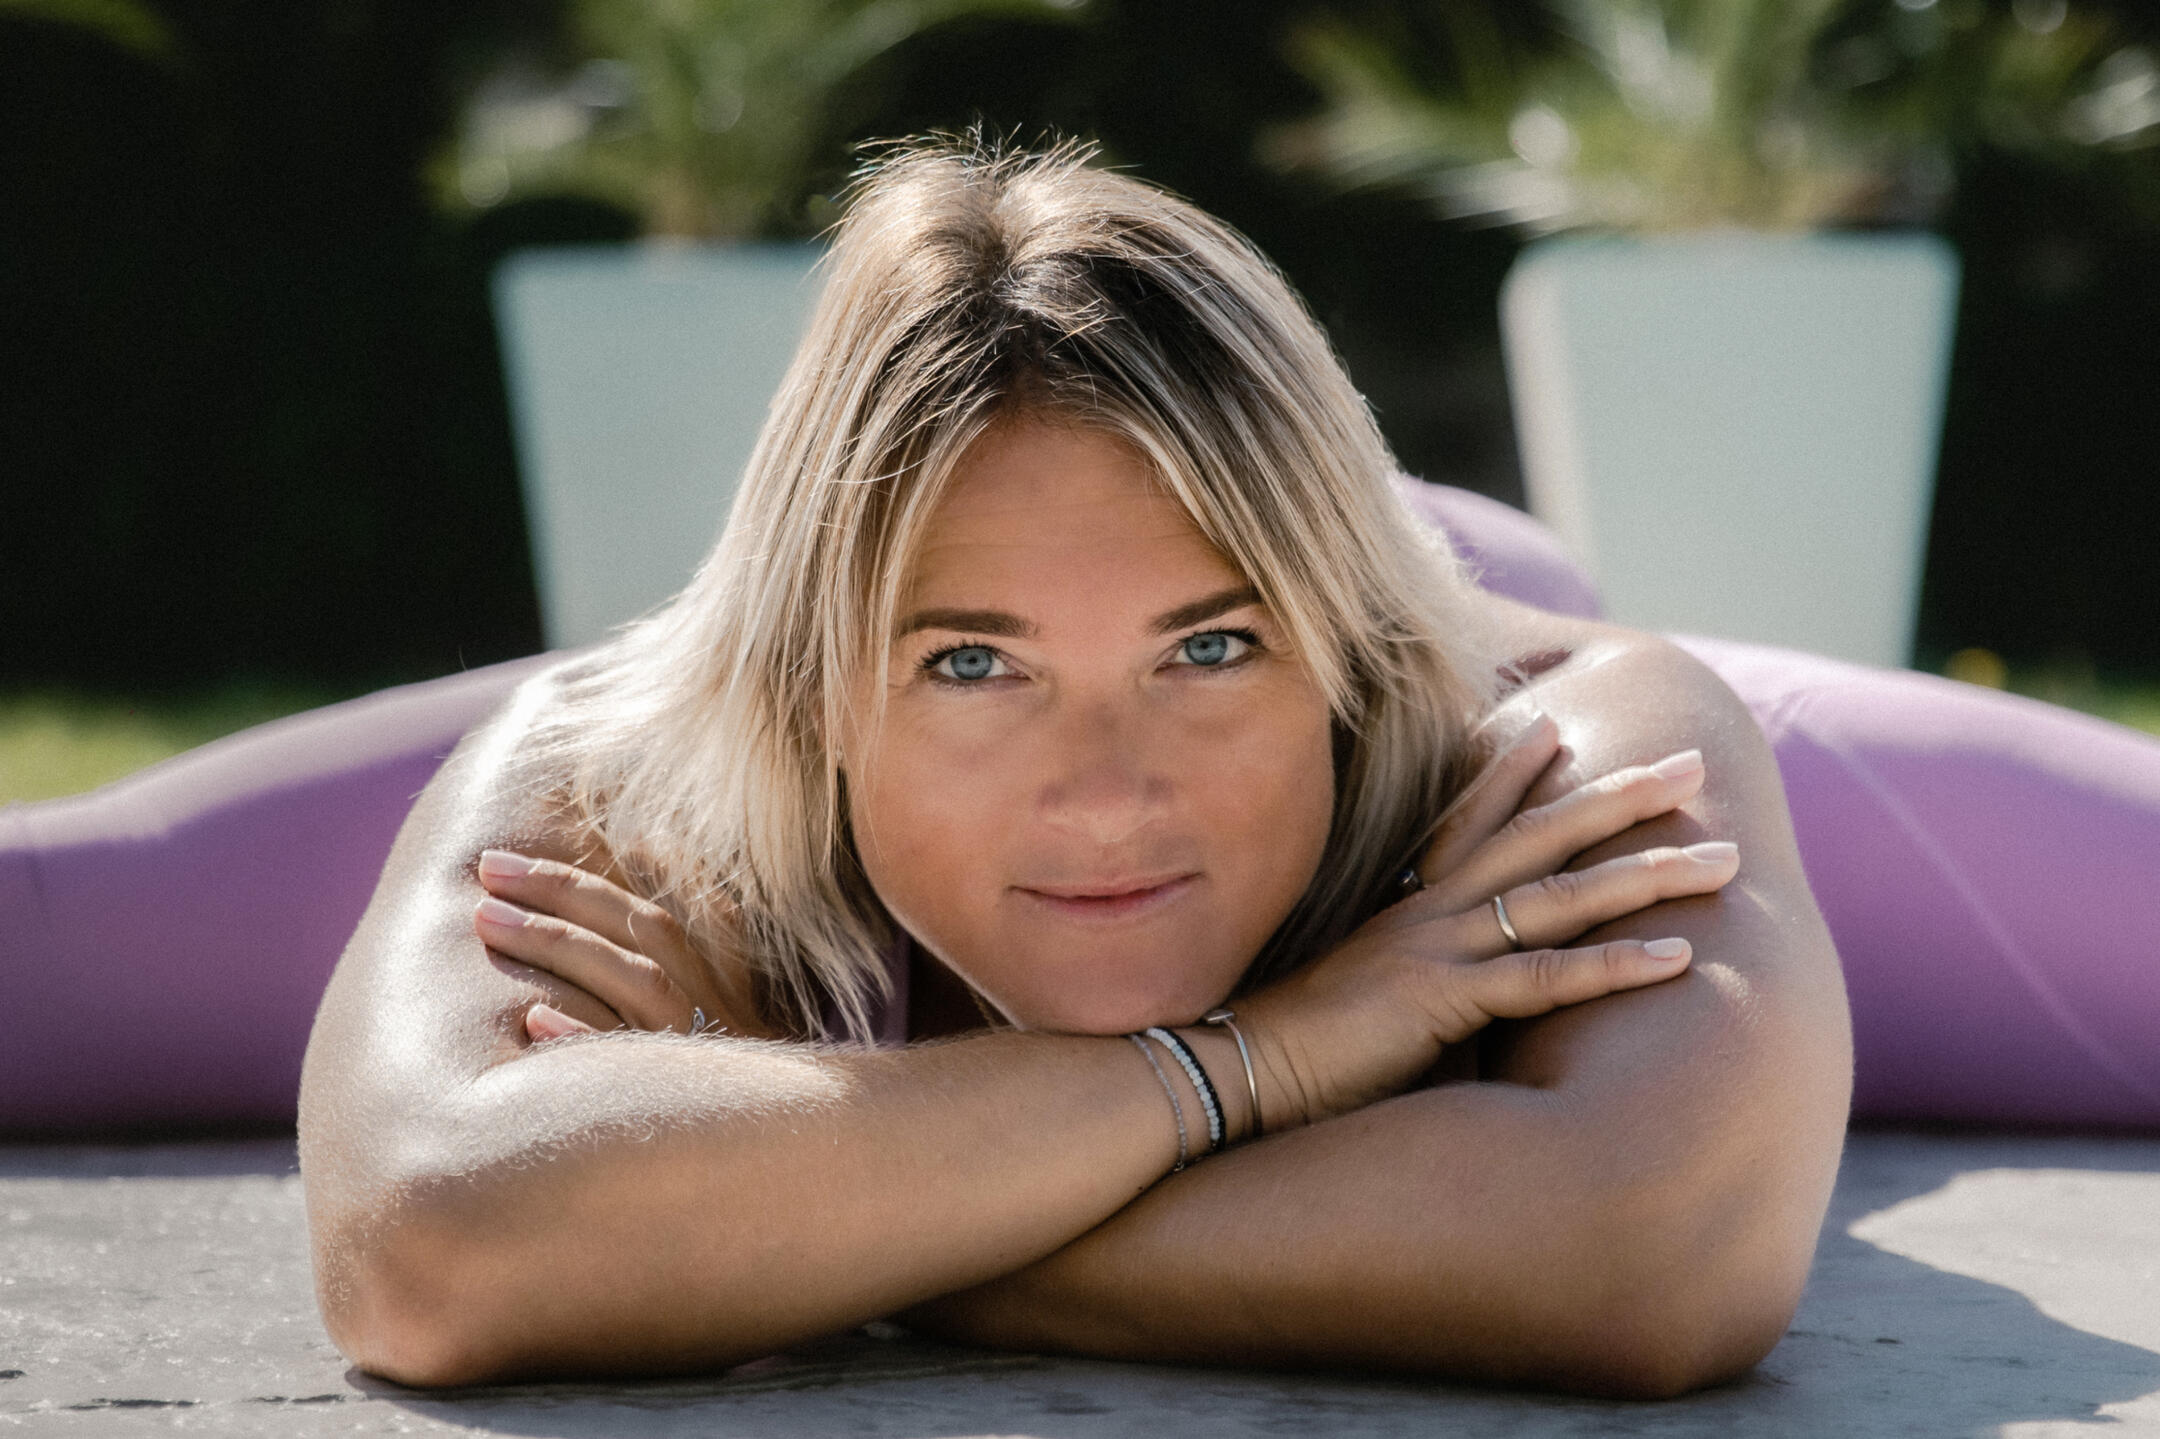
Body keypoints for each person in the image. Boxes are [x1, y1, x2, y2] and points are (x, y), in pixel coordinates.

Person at [293, 138, 1850, 1397]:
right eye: (972, 665)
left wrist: (765, 1220)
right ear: (811, 687)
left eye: (1212, 651)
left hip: (1709, 714)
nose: (1107, 798)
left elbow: (1660, 1250)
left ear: (1345, 657)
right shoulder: (641, 780)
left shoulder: (1542, 746)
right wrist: (1263, 1060)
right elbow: (428, 1244)